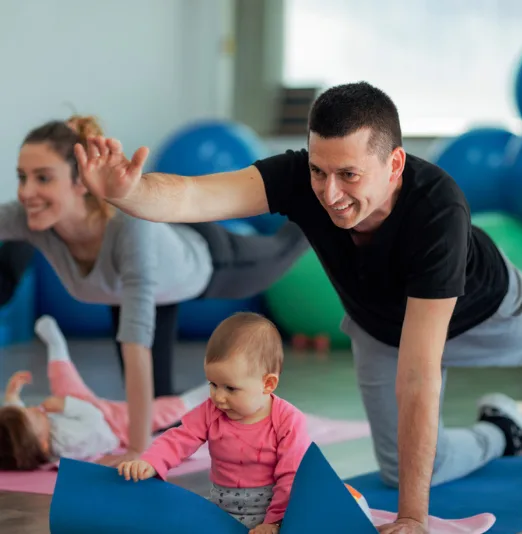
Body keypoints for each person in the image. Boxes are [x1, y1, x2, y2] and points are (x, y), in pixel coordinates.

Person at [74, 81, 522, 534]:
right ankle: (503, 434)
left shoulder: (437, 209)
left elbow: (420, 376)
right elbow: (198, 196)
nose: (330, 192)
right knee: (404, 469)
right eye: (321, 171)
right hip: (380, 328)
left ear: (394, 164)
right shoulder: (303, 178)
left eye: (349, 175)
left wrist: (413, 519)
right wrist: (127, 192)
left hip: (490, 311)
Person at [0, 115, 309, 467]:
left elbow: (136, 349)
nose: (26, 192)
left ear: (81, 182)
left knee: (287, 246)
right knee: (160, 405)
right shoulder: (32, 218)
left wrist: (136, 452)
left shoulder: (129, 231)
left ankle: (316, 201)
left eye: (43, 178)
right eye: (22, 177)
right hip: (134, 292)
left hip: (207, 261)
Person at [118, 312, 311, 534]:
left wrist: (274, 522)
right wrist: (150, 461)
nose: (218, 397)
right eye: (213, 384)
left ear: (267, 384)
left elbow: (292, 476)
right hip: (221, 508)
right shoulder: (211, 411)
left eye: (230, 388)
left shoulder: (288, 420)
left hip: (273, 514)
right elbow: (180, 438)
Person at [0, 315, 211, 470]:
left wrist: (11, 396)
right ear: (44, 444)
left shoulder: (34, 438)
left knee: (63, 379)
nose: (33, 408)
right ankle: (207, 392)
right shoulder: (68, 442)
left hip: (81, 408)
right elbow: (94, 420)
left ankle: (57, 346)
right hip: (113, 424)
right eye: (32, 414)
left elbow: (16, 427)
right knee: (163, 411)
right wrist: (67, 405)